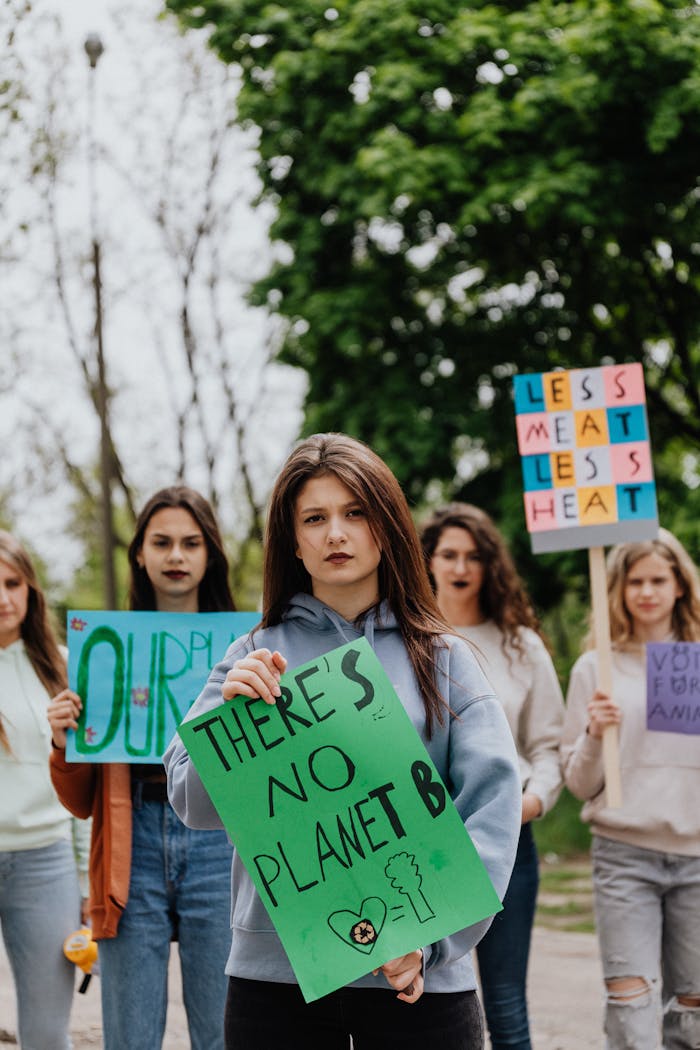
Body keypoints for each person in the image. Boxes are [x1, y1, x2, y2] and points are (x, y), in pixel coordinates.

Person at [164, 433, 522, 1050]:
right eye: (315, 518)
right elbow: (191, 803)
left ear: (385, 527)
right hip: (275, 984)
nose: (336, 533)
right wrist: (232, 721)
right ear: (293, 541)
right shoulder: (249, 655)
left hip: (420, 984)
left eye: (355, 512)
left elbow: (491, 810)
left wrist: (434, 941)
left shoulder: (447, 660)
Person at [47, 486, 236, 1050]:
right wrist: (63, 741)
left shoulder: (247, 644)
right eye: (162, 543)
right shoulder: (103, 652)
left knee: (223, 1033)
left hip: (220, 837)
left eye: (190, 543)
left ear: (210, 555)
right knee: (129, 1038)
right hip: (132, 846)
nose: (176, 556)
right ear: (139, 554)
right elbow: (82, 800)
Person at [420, 503, 564, 1050]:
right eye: (449, 554)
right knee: (427, 1003)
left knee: (504, 1004)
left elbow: (548, 746)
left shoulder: (519, 644)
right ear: (427, 561)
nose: (461, 566)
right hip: (423, 845)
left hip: (507, 840)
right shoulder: (406, 639)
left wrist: (532, 801)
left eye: (474, 556)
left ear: (490, 566)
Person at [561, 528, 700, 1050]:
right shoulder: (596, 669)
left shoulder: (696, 663)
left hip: (695, 856)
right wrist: (596, 734)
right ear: (617, 588)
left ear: (679, 585)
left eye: (658, 580)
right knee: (631, 1008)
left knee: (692, 1011)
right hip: (624, 857)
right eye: (635, 581)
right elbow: (579, 784)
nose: (646, 591)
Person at [0, 530, 90, 1050]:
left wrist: (82, 879)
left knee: (46, 1029)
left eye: (13, 583)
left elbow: (81, 781)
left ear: (32, 589)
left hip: (46, 863)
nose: (3, 598)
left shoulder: (62, 664)